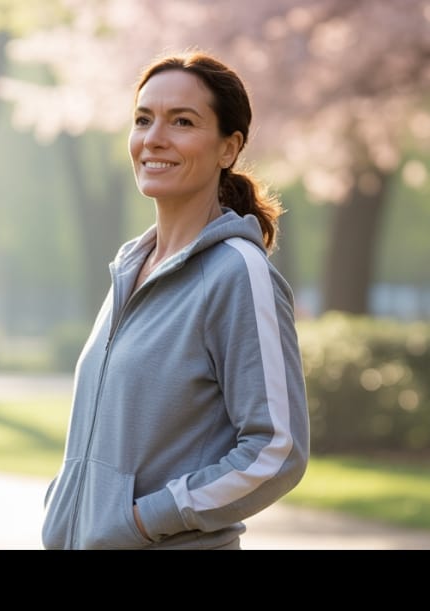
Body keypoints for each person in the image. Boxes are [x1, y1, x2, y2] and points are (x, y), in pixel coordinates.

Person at [41, 51, 310, 549]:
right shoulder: (131, 268)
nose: (154, 138)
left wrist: (143, 521)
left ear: (228, 148)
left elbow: (277, 450)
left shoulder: (238, 272)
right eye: (143, 119)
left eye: (182, 122)